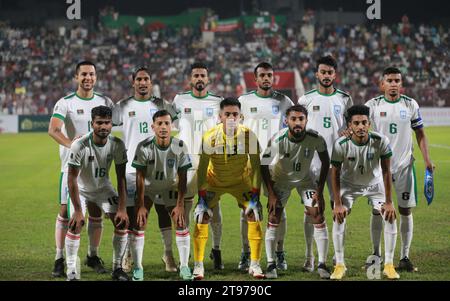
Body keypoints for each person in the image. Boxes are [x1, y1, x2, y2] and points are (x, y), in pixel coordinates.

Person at [365, 67, 435, 272]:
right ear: (382, 84)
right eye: (390, 80)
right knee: (377, 211)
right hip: (379, 169)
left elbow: (420, 134)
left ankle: (405, 256)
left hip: (404, 166)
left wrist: (427, 160)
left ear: (401, 84)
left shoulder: (410, 104)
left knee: (405, 210)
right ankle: (375, 254)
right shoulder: (372, 105)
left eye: (397, 80)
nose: (394, 84)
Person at [48, 61, 114, 277]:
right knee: (67, 214)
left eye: (92, 74)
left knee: (95, 213)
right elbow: (54, 129)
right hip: (72, 169)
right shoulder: (65, 103)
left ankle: (92, 256)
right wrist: (72, 145)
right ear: (76, 77)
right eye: (84, 74)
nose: (88, 78)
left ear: (96, 77)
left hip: (97, 170)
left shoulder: (105, 101)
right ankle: (60, 257)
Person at [113, 66, 179, 274]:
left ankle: (168, 254)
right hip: (134, 169)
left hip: (160, 167)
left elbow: (177, 128)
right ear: (133, 82)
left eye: (146, 79)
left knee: (163, 212)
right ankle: (130, 255)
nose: (143, 82)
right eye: (139, 79)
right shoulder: (122, 106)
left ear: (151, 83)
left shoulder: (163, 105)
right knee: (136, 215)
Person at [192, 97, 264, 280]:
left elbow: (256, 167)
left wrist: (255, 196)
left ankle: (254, 264)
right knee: (202, 215)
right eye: (227, 114)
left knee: (253, 214)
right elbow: (201, 169)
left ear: (241, 116)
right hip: (214, 181)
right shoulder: (209, 137)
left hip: (241, 181)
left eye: (235, 114)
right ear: (220, 117)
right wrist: (201, 198)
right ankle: (198, 266)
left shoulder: (249, 136)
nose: (231, 117)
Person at [329, 104, 399, 280]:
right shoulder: (340, 144)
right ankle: (339, 264)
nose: (361, 127)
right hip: (349, 185)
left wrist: (389, 201)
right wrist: (337, 204)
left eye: (364, 123)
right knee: (339, 216)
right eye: (356, 123)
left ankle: (389, 265)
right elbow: (335, 174)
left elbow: (386, 171)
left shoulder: (381, 141)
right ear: (349, 126)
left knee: (389, 214)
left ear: (369, 124)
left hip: (375, 184)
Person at [261, 104, 331, 279]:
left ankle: (322, 263)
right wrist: (271, 193)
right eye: (293, 119)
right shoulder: (277, 140)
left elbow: (325, 161)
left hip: (305, 180)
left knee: (317, 214)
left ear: (306, 120)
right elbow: (263, 164)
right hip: (281, 180)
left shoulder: (316, 138)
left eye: (301, 119)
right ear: (286, 121)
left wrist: (320, 191)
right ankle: (270, 264)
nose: (297, 122)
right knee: (273, 216)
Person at [297, 55, 353, 272]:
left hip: (337, 166)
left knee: (338, 210)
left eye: (330, 72)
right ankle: (309, 256)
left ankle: (338, 258)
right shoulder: (305, 100)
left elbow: (351, 125)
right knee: (311, 210)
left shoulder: (344, 99)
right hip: (312, 164)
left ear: (335, 75)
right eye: (323, 72)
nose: (327, 76)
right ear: (316, 74)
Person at [238, 62, 294, 271]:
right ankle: (246, 253)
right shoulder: (244, 101)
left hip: (276, 162)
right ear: (256, 78)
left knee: (278, 209)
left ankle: (279, 252)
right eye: (262, 75)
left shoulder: (284, 101)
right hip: (250, 163)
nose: (266, 78)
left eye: (270, 75)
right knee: (247, 210)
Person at [65, 105, 130, 281]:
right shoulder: (79, 145)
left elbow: (121, 178)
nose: (103, 127)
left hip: (103, 188)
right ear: (92, 123)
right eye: (99, 123)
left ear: (111, 124)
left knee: (122, 222)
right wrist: (78, 210)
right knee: (75, 224)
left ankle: (117, 269)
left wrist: (122, 208)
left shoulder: (117, 145)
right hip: (81, 190)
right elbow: (71, 180)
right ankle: (71, 270)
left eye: (107, 123)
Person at [172, 62, 225, 270]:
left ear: (208, 79)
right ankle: (185, 259)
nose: (200, 79)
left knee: (213, 209)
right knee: (183, 209)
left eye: (203, 75)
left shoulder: (217, 101)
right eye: (196, 75)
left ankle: (217, 250)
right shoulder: (179, 100)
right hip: (185, 162)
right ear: (190, 79)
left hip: (209, 163)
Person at [132, 110, 194, 281]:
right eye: (159, 124)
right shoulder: (144, 146)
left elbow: (182, 177)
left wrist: (180, 204)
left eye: (167, 123)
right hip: (149, 188)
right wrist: (141, 205)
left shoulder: (180, 146)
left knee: (181, 222)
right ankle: (138, 267)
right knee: (139, 223)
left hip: (169, 186)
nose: (164, 127)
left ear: (171, 126)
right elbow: (140, 177)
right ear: (153, 127)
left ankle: (184, 267)